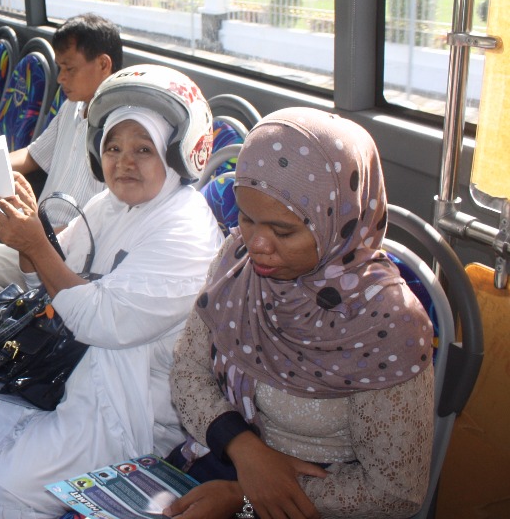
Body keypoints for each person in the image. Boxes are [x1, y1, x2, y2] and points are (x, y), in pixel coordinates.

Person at [0, 65, 222, 519]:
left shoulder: (186, 230)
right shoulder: (110, 204)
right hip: (68, 368)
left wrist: (36, 246)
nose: (124, 161)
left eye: (144, 149)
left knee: (7, 490)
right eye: (114, 147)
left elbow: (102, 320)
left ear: (176, 155)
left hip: (130, 405)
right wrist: (27, 234)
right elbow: (42, 280)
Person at [165, 107, 435, 519]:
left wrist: (245, 495)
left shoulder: (388, 323)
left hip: (315, 501)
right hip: (226, 454)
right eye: (247, 218)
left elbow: (393, 492)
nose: (256, 243)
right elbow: (188, 371)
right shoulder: (236, 262)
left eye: (283, 230)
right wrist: (245, 450)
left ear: (337, 222)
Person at [0, 13, 120, 313]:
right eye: (59, 69)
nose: (61, 78)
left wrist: (33, 231)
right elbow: (31, 156)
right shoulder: (72, 107)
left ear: (103, 64)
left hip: (66, 245)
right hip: (33, 221)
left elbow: (101, 226)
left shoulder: (117, 135)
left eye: (69, 69)